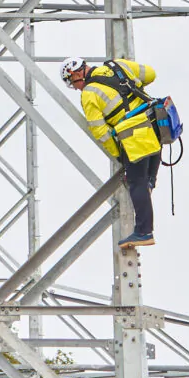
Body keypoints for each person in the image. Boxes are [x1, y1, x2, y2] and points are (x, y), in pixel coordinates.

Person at [64, 57, 162, 247]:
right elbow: (150, 74)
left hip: (135, 136)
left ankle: (144, 232)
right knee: (147, 181)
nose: (76, 88)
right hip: (155, 124)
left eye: (73, 83)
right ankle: (149, 187)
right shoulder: (116, 65)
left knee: (136, 182)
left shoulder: (88, 94)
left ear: (76, 73)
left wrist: (118, 154)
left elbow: (100, 131)